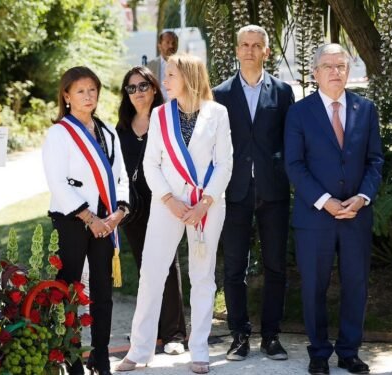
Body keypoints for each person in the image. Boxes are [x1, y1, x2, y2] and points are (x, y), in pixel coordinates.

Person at [115, 54, 233, 374]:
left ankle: (199, 350)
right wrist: (169, 199)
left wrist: (204, 203)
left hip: (206, 207)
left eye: (170, 75)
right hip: (167, 205)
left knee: (202, 277)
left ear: (190, 77)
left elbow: (225, 162)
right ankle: (139, 350)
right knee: (152, 274)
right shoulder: (161, 115)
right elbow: (151, 163)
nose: (163, 82)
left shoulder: (218, 113)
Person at [284, 43, 383, 375]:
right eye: (328, 66)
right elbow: (295, 165)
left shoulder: (365, 109)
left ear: (348, 70)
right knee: (314, 286)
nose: (336, 72)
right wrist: (325, 201)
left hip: (356, 215)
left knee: (356, 284)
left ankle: (349, 351)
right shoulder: (299, 112)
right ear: (315, 73)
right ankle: (319, 353)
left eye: (341, 66)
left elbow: (375, 161)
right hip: (315, 217)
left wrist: (363, 197)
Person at [212, 25, 294, 362]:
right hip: (234, 192)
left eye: (256, 45)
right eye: (244, 44)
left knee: (276, 266)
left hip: (273, 191)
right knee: (234, 268)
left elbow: (291, 141)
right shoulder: (218, 94)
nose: (249, 50)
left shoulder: (283, 92)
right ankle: (239, 335)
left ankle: (271, 336)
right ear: (236, 49)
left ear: (266, 52)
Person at [42, 66, 129, 375]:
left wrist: (119, 212)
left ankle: (101, 356)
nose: (88, 95)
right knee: (70, 290)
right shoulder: (58, 133)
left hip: (107, 221)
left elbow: (120, 176)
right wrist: (90, 218)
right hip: (72, 220)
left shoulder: (107, 132)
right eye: (80, 91)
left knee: (103, 292)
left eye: (92, 89)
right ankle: (72, 356)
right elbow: (57, 183)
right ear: (66, 96)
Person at [116, 66, 187, 355]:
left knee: (167, 265)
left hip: (164, 201)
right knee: (146, 269)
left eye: (143, 86)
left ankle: (175, 334)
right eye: (131, 88)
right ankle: (150, 329)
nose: (137, 92)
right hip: (134, 208)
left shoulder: (168, 119)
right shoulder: (120, 128)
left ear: (154, 88)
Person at [146, 30, 179, 101]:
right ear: (159, 46)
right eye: (168, 42)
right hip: (157, 108)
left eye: (174, 43)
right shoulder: (150, 66)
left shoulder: (184, 65)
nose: (171, 46)